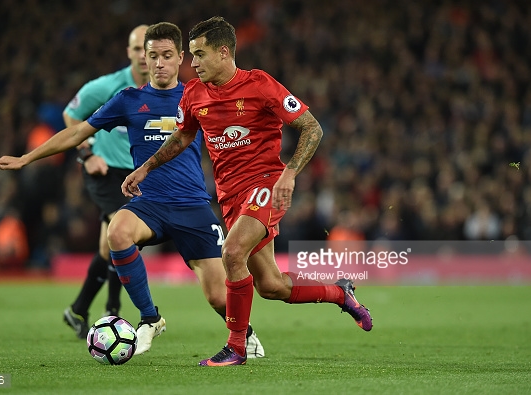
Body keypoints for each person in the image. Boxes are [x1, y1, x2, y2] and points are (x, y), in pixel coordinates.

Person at [0, 22, 264, 359]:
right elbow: (77, 133)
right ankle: (151, 318)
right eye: (152, 56)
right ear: (144, 60)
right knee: (117, 232)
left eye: (166, 56)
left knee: (218, 297)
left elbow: (241, 127)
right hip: (149, 203)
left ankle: (244, 334)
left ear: (181, 58)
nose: (159, 63)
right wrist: (26, 158)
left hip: (192, 205)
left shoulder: (200, 95)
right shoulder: (128, 100)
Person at [121, 16, 372, 367]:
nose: (192, 64)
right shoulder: (193, 94)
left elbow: (311, 129)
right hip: (230, 196)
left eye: (199, 54)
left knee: (233, 252)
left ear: (224, 53)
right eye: (191, 55)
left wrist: (289, 173)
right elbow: (182, 136)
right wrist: (146, 168)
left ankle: (236, 348)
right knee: (270, 285)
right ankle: (339, 293)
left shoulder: (260, 85)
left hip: (266, 184)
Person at [60, 25, 150, 339]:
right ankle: (113, 311)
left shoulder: (163, 91)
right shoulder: (109, 86)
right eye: (136, 49)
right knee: (121, 233)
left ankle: (78, 309)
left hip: (137, 176)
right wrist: (86, 154)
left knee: (106, 246)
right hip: (105, 171)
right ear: (128, 52)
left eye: (147, 49)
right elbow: (71, 115)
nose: (142, 56)